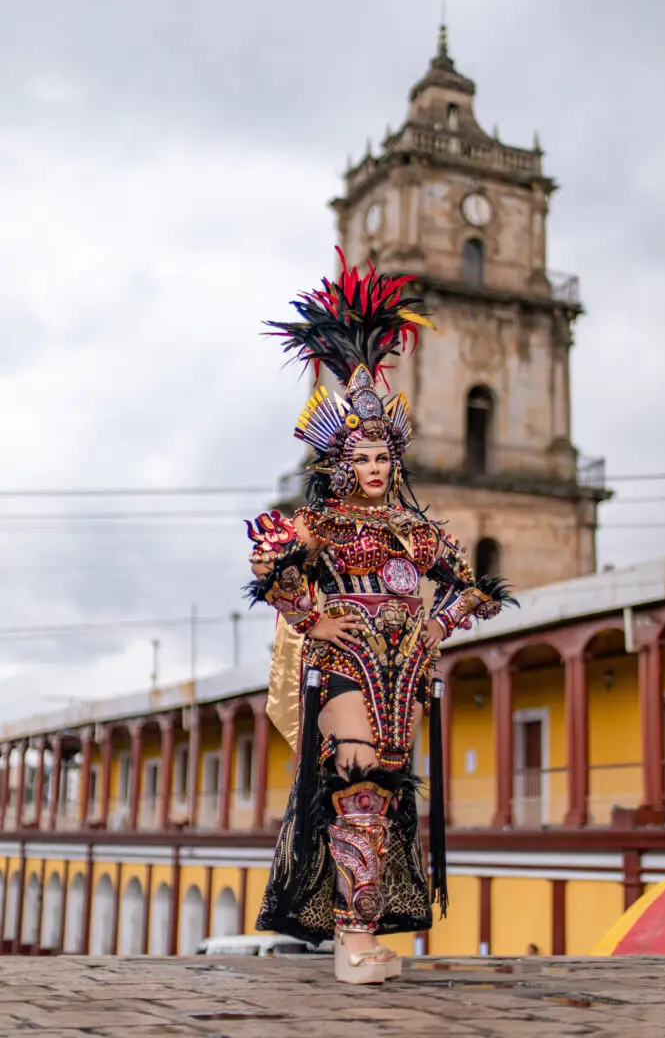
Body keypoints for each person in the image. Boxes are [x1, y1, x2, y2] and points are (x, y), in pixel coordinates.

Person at [245, 249, 515, 985]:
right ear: (340, 461)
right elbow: (268, 563)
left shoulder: (418, 531)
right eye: (361, 456)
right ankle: (353, 940)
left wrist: (436, 626)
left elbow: (477, 588)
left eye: (382, 456)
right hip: (345, 667)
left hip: (406, 672)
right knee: (356, 778)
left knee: (388, 784)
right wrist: (313, 617)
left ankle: (354, 934)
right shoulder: (321, 524)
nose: (374, 467)